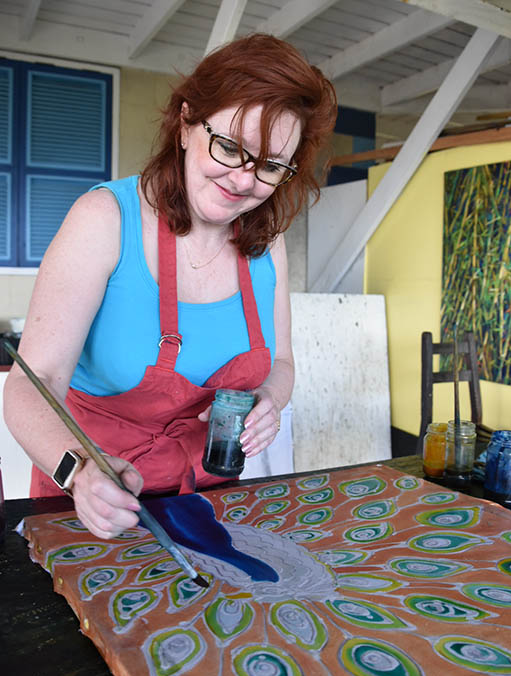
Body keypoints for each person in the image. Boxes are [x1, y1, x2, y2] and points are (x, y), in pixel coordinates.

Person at [3, 33, 337, 539]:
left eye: (270, 166)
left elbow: (283, 363)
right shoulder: (105, 220)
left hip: (210, 495)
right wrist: (79, 471)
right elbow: (34, 381)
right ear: (185, 124)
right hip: (94, 500)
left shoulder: (268, 242)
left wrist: (270, 398)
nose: (245, 181)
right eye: (230, 147)